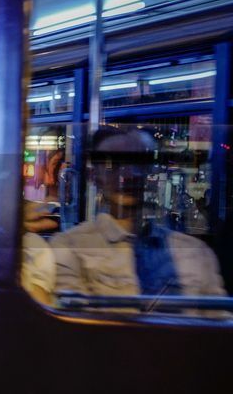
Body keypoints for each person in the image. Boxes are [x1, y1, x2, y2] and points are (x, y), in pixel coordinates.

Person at [49, 126, 226, 304]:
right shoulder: (69, 247)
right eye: (114, 165)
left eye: (138, 163)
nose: (129, 174)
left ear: (149, 172)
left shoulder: (196, 251)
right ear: (94, 176)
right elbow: (77, 325)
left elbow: (218, 325)